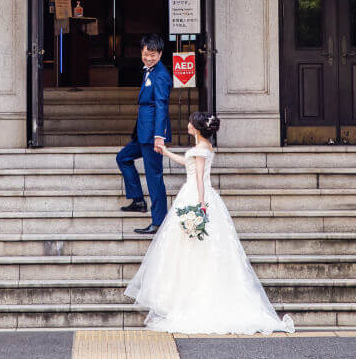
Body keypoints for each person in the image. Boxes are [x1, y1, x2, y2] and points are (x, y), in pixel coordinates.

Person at [125, 112, 295, 335]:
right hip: (193, 194)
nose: (186, 124)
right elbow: (188, 163)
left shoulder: (201, 149)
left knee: (194, 248)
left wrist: (201, 204)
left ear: (195, 127)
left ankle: (192, 297)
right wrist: (166, 152)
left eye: (189, 122)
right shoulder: (202, 148)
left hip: (195, 196)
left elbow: (199, 177)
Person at [116, 33, 171, 235]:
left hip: (152, 135)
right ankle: (138, 200)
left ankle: (158, 221)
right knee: (123, 158)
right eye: (146, 53)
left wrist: (159, 136)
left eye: (153, 54)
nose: (149, 58)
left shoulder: (161, 75)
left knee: (154, 176)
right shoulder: (149, 72)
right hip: (142, 132)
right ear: (142, 52)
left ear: (160, 54)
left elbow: (161, 106)